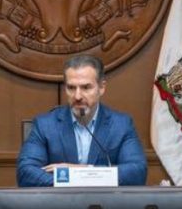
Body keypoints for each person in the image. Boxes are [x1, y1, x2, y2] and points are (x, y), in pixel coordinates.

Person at [16, 54, 147, 187]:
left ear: (101, 87)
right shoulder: (45, 125)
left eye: (86, 87)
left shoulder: (121, 125)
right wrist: (82, 180)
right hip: (60, 205)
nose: (77, 96)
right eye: (71, 88)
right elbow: (25, 173)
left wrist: (80, 172)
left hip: (105, 205)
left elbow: (137, 172)